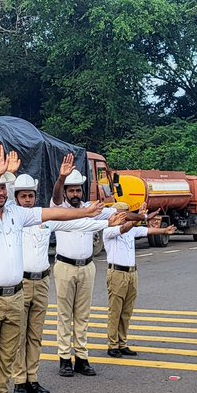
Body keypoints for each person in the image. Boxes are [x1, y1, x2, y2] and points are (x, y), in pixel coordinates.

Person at [0, 145, 104, 393]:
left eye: (4, 188)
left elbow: (51, 213)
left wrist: (86, 212)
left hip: (15, 295)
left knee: (6, 357)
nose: (0, 193)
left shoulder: (16, 214)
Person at [11, 172, 119, 393]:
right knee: (19, 334)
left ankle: (33, 378)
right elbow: (57, 199)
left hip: (41, 280)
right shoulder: (13, 219)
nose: (28, 200)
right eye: (23, 196)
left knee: (35, 334)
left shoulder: (46, 219)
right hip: (20, 281)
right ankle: (19, 380)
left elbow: (74, 222)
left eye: (31, 195)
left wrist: (107, 221)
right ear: (16, 198)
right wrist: (59, 178)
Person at [49, 153, 121, 378]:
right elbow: (56, 195)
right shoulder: (59, 207)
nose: (74, 194)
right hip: (64, 267)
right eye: (71, 190)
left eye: (77, 190)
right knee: (64, 315)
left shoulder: (91, 207)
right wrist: (61, 179)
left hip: (87, 267)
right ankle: (64, 358)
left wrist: (140, 215)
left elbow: (116, 213)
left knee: (82, 315)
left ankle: (81, 356)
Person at [103, 205, 175, 358]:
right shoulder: (109, 230)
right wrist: (139, 218)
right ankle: (112, 345)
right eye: (124, 214)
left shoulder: (132, 230)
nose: (126, 217)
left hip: (131, 272)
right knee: (115, 310)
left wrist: (164, 231)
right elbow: (123, 229)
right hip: (117, 272)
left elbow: (148, 231)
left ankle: (122, 343)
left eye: (128, 213)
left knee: (126, 311)